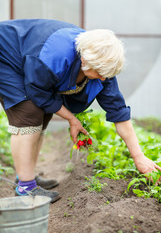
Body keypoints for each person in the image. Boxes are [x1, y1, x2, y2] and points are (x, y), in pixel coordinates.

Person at [0, 19, 160, 203]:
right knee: (28, 112)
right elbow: (39, 93)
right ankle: (25, 188)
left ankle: (26, 176)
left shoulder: (102, 67)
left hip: (29, 56)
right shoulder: (54, 57)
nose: (103, 78)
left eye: (106, 74)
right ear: (84, 60)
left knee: (43, 115)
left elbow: (119, 113)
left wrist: (138, 157)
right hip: (5, 55)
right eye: (99, 73)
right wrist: (71, 119)